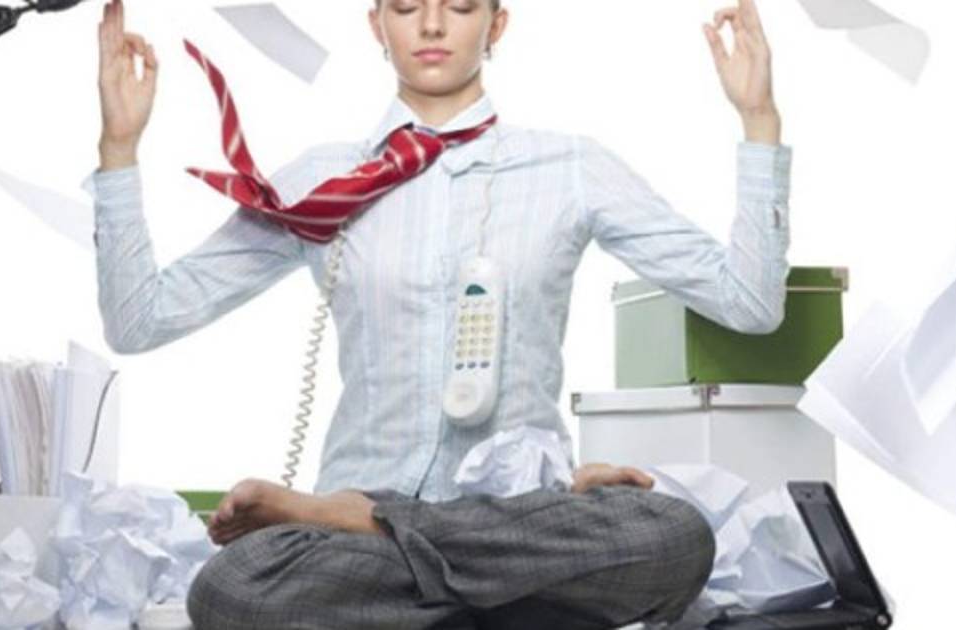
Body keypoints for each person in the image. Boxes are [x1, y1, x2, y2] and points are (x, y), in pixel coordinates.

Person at [93, 0, 791, 627]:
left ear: (496, 24)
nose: (431, 24)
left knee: (672, 535)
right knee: (233, 586)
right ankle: (484, 597)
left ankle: (375, 536)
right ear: (377, 24)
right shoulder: (322, 181)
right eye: (405, 7)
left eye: (458, 6)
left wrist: (759, 121)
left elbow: (749, 303)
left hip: (519, 509)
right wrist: (118, 149)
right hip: (439, 548)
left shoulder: (571, 168)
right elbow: (140, 320)